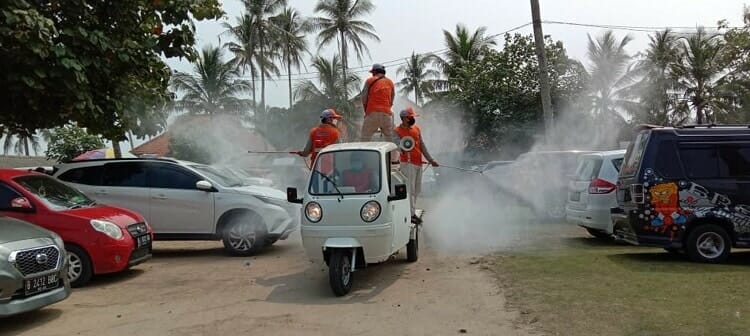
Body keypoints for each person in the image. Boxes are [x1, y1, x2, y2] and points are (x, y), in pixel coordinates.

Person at [392, 107, 438, 224]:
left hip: (418, 163)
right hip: (407, 163)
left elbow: (422, 146)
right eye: (410, 117)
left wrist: (431, 159)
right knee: (410, 190)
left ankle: (411, 211)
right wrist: (403, 147)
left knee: (416, 190)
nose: (413, 119)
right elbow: (398, 145)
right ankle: (411, 214)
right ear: (404, 119)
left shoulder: (416, 129)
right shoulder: (397, 131)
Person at [360, 63, 395, 141]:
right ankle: (391, 153)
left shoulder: (369, 81)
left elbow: (364, 98)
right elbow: (392, 99)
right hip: (386, 115)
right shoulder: (390, 82)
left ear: (375, 72)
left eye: (372, 73)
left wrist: (366, 111)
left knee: (364, 139)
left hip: (372, 113)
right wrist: (387, 109)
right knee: (389, 140)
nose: (372, 74)